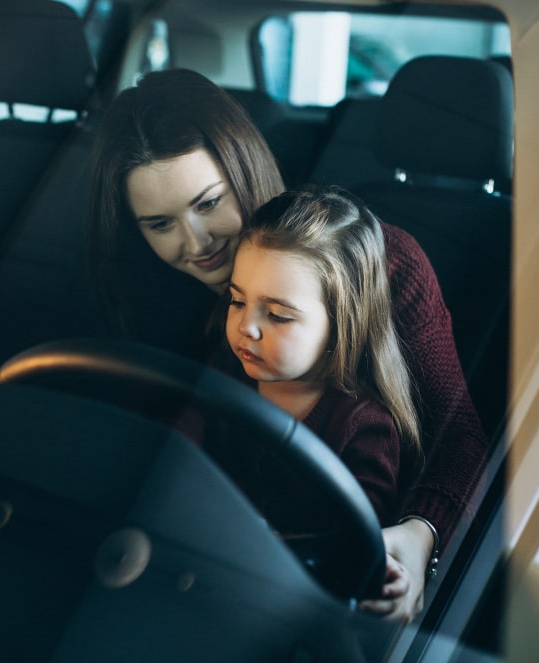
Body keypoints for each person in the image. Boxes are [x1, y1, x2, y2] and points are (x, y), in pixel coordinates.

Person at [88, 68, 488, 621]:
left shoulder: (375, 264)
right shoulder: (154, 289)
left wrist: (420, 539)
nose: (195, 244)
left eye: (208, 204)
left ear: (244, 168)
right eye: (160, 224)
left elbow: (459, 436)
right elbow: (186, 424)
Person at [222, 187, 419, 529]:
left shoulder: (363, 427)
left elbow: (356, 543)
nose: (246, 327)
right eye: (237, 301)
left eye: (278, 315)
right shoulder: (223, 377)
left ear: (341, 325)